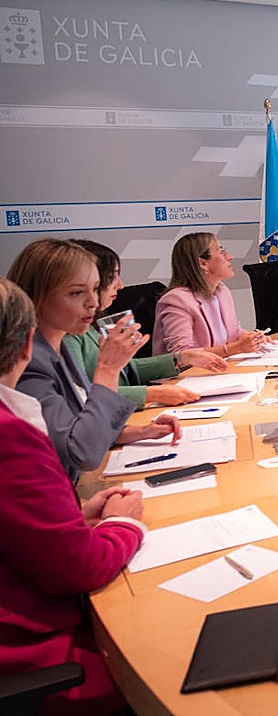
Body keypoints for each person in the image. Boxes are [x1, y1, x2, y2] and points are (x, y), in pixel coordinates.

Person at [0, 276, 147, 716]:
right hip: (35, 656)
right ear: (27, 343)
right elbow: (82, 567)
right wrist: (123, 523)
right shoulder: (9, 436)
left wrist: (73, 516)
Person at [7, 239, 179, 483]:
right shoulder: (28, 361)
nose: (93, 302)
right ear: (36, 296)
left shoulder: (58, 346)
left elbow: (76, 423)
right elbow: (81, 453)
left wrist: (139, 431)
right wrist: (108, 370)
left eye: (95, 288)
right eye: (77, 293)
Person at [62, 240, 227, 410]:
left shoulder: (90, 325)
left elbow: (127, 370)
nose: (120, 285)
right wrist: (151, 394)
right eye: (111, 278)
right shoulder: (69, 333)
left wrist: (182, 358)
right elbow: (81, 395)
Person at [153, 232, 267, 356]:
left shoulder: (222, 291)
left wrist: (252, 338)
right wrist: (234, 349)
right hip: (190, 369)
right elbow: (181, 355)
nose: (229, 257)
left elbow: (234, 331)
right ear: (203, 263)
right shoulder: (176, 300)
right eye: (221, 251)